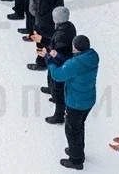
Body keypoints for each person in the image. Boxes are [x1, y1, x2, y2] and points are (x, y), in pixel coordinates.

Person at [47, 35, 99, 170]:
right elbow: (71, 64)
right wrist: (57, 56)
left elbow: (57, 75)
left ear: (75, 48)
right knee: (79, 126)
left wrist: (49, 60)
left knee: (72, 130)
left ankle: (76, 160)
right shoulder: (91, 57)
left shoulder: (75, 64)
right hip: (88, 99)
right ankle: (77, 151)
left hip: (76, 102)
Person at [40, 6, 77, 123]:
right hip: (63, 62)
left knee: (59, 90)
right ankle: (52, 90)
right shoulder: (69, 27)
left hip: (60, 65)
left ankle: (59, 115)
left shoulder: (61, 36)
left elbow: (58, 56)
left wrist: (47, 56)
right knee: (54, 82)